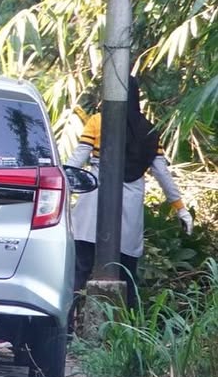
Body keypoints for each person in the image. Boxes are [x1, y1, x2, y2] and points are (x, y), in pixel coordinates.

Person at [67, 77, 192, 313]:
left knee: (79, 271)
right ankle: (128, 327)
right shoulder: (149, 131)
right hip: (129, 209)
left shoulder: (98, 121)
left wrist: (60, 190)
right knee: (127, 274)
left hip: (93, 204)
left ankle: (68, 324)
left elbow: (76, 162)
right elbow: (162, 173)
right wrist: (180, 209)